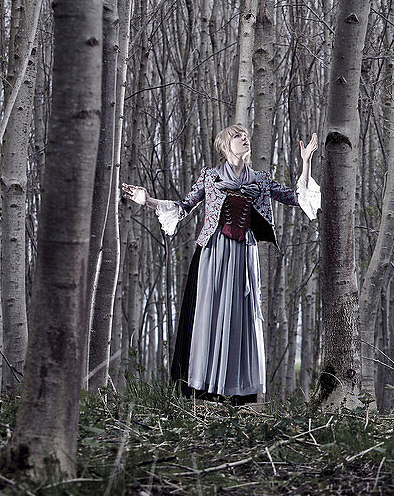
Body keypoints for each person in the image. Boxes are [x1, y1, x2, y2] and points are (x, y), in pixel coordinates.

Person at [122, 124, 320, 403]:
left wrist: (306, 162)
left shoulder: (261, 180)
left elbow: (297, 199)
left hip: (243, 256)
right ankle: (203, 387)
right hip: (214, 253)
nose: (245, 139)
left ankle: (239, 391)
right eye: (238, 136)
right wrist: (147, 200)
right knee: (209, 316)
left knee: (242, 317)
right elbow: (182, 207)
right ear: (226, 146)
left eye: (246, 135)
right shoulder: (210, 177)